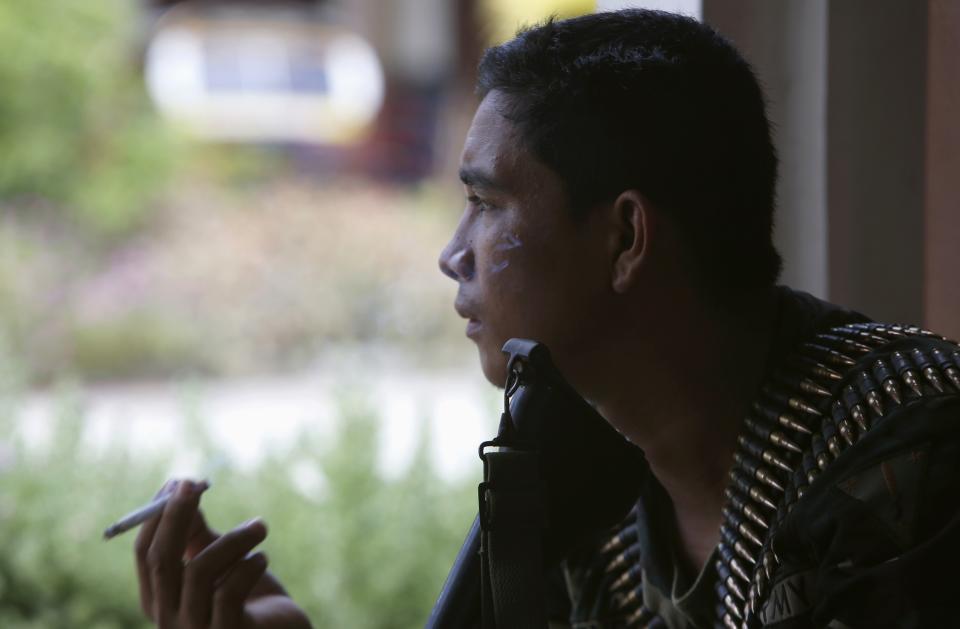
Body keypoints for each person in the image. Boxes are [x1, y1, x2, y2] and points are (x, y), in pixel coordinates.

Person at [133, 9, 960, 629]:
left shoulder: (915, 450)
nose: (453, 254)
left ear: (626, 238)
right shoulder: (582, 476)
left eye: (486, 203)